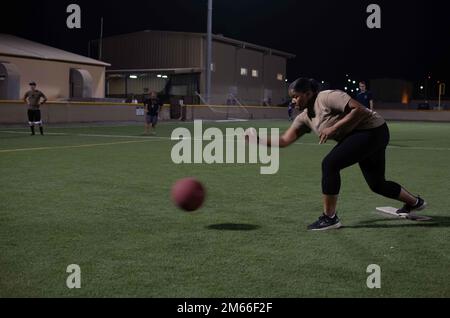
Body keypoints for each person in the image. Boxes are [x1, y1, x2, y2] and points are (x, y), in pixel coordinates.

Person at [246, 78, 426, 231]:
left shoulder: (327, 97)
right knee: (377, 184)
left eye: (296, 96)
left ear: (308, 93)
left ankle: (330, 218)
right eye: (291, 97)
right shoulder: (304, 117)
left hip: (373, 131)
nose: (293, 101)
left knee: (330, 164)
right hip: (363, 136)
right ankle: (415, 202)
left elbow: (360, 110)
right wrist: (257, 139)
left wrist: (334, 127)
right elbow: (285, 140)